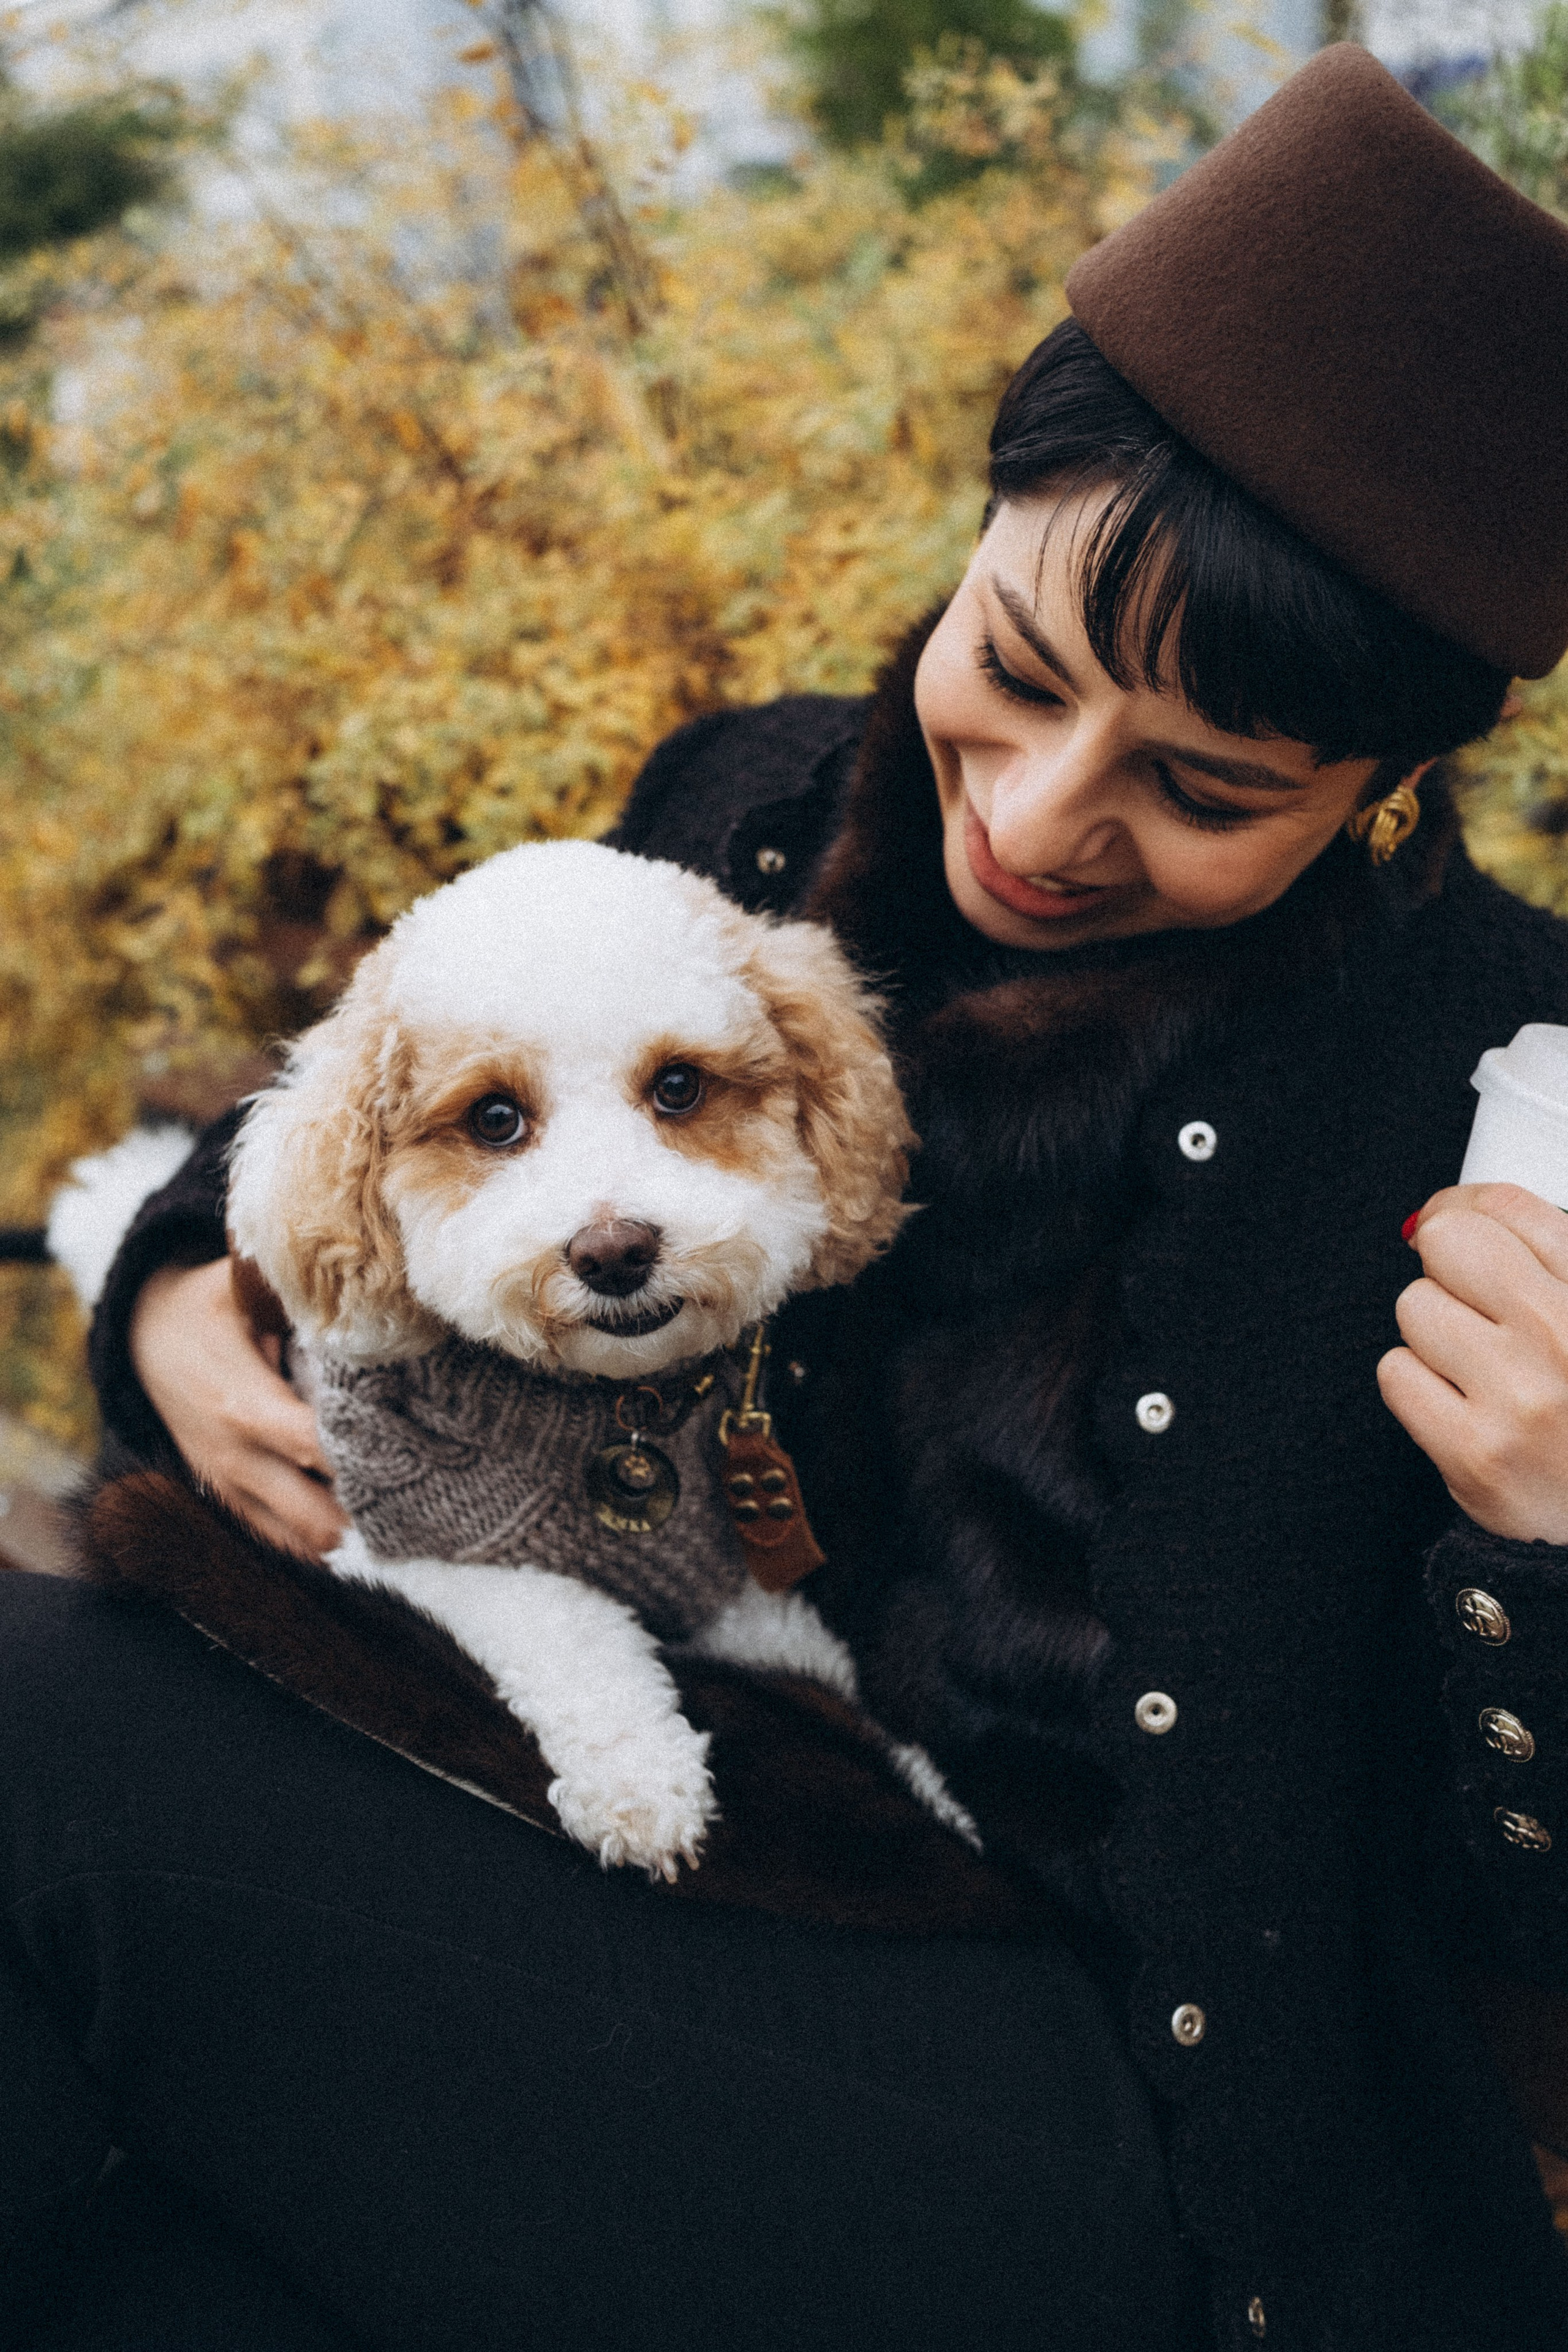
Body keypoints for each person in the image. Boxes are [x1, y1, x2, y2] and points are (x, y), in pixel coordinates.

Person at [6, 42, 1568, 2352]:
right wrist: (169, 1285)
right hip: (651, 1807)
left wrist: (1547, 1557)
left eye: (1206, 782)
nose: (1037, 819)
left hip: (1101, 2105)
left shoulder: (1499, 1099)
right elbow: (426, 1124)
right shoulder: (746, 814)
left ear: (1386, 789)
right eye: (1012, 665)